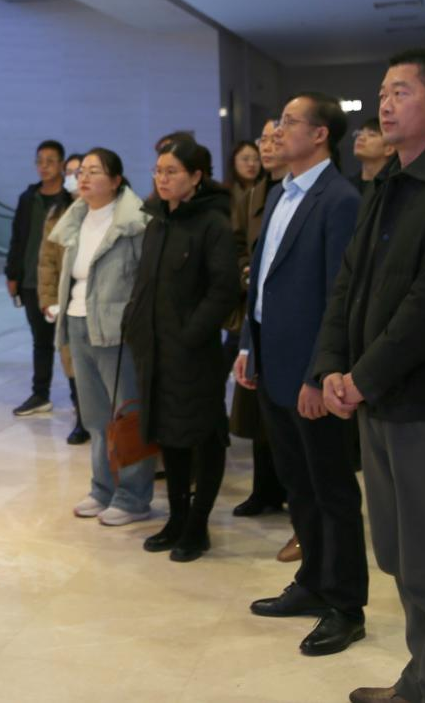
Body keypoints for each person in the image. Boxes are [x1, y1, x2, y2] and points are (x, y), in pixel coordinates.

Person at [314, 49, 425, 703]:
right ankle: (422, 679)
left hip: (424, 406)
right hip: (376, 400)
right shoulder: (387, 179)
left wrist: (360, 378)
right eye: (382, 93)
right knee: (398, 552)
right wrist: (330, 367)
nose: (385, 105)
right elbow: (349, 283)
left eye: (401, 92)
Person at [235, 94, 368, 657]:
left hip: (312, 373)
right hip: (273, 362)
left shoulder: (339, 200)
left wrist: (322, 373)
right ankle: (313, 580)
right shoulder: (279, 192)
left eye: (288, 122)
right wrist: (248, 345)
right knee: (298, 485)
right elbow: (263, 280)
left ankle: (346, 604)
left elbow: (342, 296)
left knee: (332, 490)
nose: (276, 131)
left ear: (319, 135)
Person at [124, 137, 240, 560]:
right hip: (155, 350)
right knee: (168, 436)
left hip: (194, 353)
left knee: (204, 436)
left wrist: (191, 334)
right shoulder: (158, 220)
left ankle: (198, 524)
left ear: (195, 176)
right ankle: (176, 518)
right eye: (158, 171)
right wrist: (135, 325)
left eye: (172, 171)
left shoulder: (212, 223)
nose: (162, 178)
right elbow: (146, 283)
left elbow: (224, 289)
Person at [50, 148, 153, 524]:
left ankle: (133, 496)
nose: (84, 177)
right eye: (81, 172)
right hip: (78, 322)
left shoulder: (133, 222)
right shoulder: (76, 218)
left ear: (115, 180)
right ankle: (102, 488)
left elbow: (145, 280)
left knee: (126, 413)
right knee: (94, 415)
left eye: (94, 171)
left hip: (115, 329)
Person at [228, 123, 289, 529]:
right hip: (257, 311)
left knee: (286, 416)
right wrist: (245, 270)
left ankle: (290, 495)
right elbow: (237, 243)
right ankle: (264, 489)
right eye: (262, 140)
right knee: (258, 410)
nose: (267, 146)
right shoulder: (254, 195)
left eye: (274, 138)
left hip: (288, 318)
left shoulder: (309, 194)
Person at [5, 140, 72, 416]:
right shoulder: (28, 198)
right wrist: (13, 273)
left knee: (69, 342)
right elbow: (17, 237)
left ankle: (80, 397)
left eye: (50, 161)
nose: (44, 167)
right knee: (40, 340)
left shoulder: (71, 199)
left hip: (65, 281)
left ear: (62, 165)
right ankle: (40, 394)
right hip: (32, 280)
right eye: (40, 161)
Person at [39, 153, 90, 444]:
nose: (74, 178)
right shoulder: (57, 215)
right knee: (71, 361)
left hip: (94, 301)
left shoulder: (102, 212)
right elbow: (46, 261)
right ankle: (82, 418)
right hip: (66, 299)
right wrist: (48, 299)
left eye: (79, 171)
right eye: (69, 173)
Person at [351, 117, 395, 196]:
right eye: (359, 134)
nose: (360, 138)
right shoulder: (346, 186)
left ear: (389, 148)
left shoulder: (395, 188)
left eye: (372, 135)